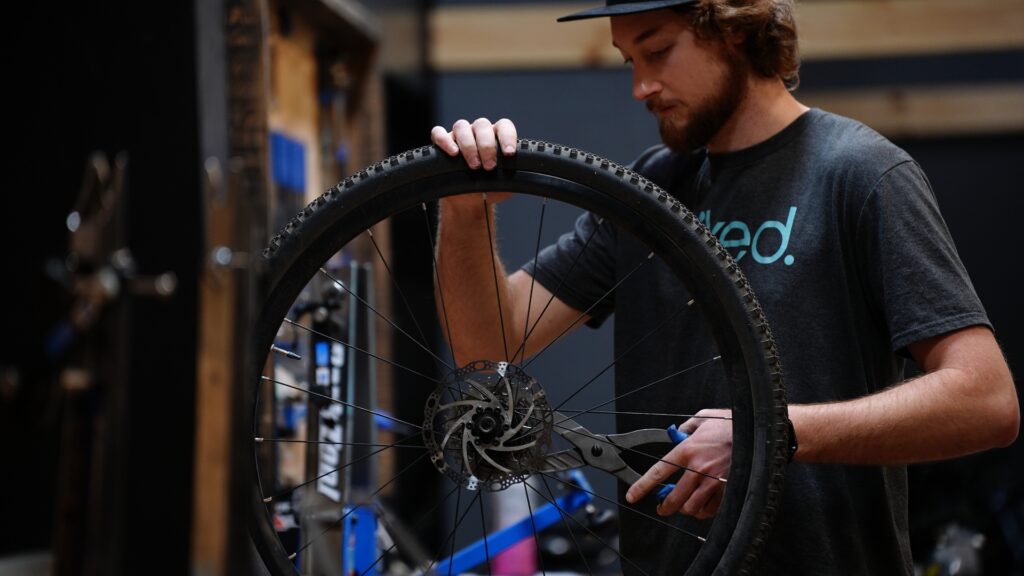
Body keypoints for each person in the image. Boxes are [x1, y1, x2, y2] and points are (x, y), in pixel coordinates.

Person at [428, 0, 1020, 573]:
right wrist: (465, 211)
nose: (640, 87)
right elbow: (488, 344)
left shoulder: (861, 173)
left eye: (657, 51)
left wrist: (772, 433)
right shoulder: (651, 189)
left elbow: (987, 401)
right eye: (628, 59)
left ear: (734, 27)